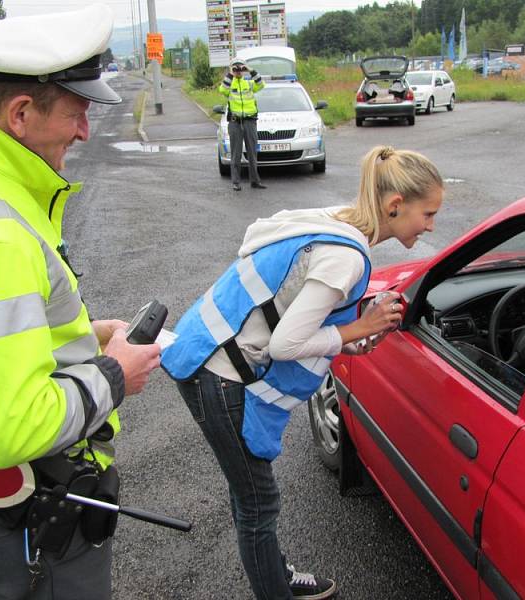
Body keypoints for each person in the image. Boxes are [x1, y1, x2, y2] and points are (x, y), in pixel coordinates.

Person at [0, 5, 161, 599]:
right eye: (76, 111)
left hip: (9, 507)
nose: (85, 130)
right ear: (20, 114)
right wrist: (116, 372)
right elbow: (13, 428)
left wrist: (80, 335)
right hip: (38, 515)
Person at [161, 146, 444, 599]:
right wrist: (359, 326)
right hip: (217, 370)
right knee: (258, 502)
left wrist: (357, 332)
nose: (430, 225)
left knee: (250, 495)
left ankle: (273, 571)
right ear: (395, 206)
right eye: (427, 214)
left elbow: (303, 318)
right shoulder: (345, 257)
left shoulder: (333, 220)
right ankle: (275, 586)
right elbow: (285, 344)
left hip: (201, 350)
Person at [220, 58, 266, 191]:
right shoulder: (230, 84)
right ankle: (236, 182)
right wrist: (230, 74)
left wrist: (250, 70)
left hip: (250, 121)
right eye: (235, 69)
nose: (238, 71)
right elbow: (222, 90)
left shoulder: (249, 84)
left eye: (240, 69)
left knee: (252, 152)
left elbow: (261, 84)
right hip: (235, 122)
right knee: (236, 153)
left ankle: (255, 181)